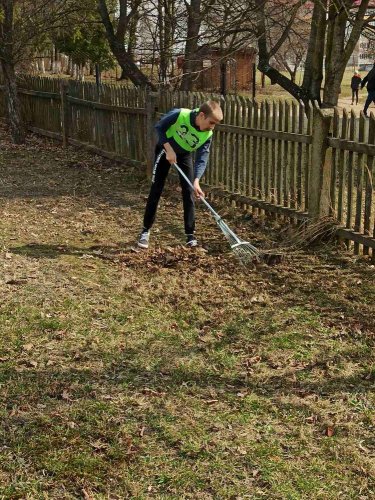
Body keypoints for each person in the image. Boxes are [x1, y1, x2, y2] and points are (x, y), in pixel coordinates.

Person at [137, 100, 223, 249]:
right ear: (202, 115)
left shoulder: (207, 133)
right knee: (156, 189)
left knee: (189, 191)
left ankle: (190, 235)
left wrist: (196, 180)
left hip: (184, 155)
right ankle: (145, 231)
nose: (212, 127)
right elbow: (159, 127)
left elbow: (203, 157)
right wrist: (169, 149)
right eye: (211, 122)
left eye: (215, 124)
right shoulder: (180, 114)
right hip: (165, 150)